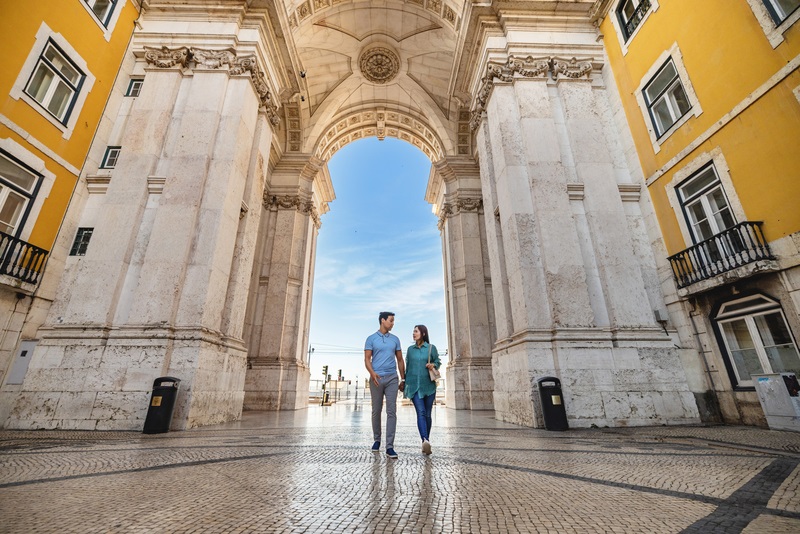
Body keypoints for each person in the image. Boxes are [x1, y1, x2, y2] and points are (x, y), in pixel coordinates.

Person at [364, 311, 405, 459]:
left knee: (391, 411)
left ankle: (389, 447)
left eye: (393, 321)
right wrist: (372, 373)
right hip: (376, 379)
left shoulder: (395, 339)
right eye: (391, 321)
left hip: (392, 378)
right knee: (376, 410)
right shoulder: (371, 339)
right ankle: (377, 440)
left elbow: (400, 360)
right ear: (383, 320)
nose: (393, 323)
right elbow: (367, 359)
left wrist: (403, 379)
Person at [404, 324, 441, 455]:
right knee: (421, 412)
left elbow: (438, 361)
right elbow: (407, 366)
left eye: (416, 331)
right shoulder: (410, 349)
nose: (413, 334)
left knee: (428, 414)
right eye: (413, 331)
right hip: (414, 386)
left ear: (423, 333)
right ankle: (424, 439)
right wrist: (404, 381)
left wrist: (433, 365)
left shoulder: (431, 348)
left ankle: (426, 441)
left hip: (429, 386)